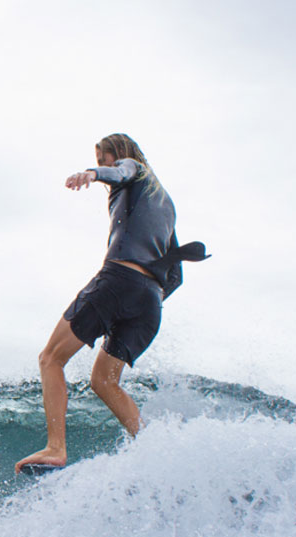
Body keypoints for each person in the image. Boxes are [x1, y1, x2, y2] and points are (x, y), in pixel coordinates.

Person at [15, 134, 208, 474]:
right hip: (151, 302)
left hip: (118, 280)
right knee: (104, 381)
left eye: (103, 159)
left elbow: (122, 172)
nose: (104, 166)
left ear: (117, 153)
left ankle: (56, 448)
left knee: (50, 358)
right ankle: (152, 452)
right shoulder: (166, 205)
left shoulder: (133, 169)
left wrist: (92, 174)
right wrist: (140, 297)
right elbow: (175, 277)